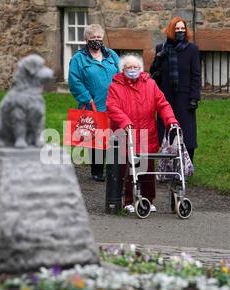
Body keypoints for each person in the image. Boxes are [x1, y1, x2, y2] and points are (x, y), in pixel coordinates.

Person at [106, 55, 179, 213]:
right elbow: (112, 107)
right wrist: (125, 122)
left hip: (146, 132)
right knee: (127, 169)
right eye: (129, 68)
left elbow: (163, 104)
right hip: (126, 133)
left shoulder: (150, 84)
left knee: (146, 169)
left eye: (135, 68)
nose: (132, 71)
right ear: (123, 70)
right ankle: (128, 201)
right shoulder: (115, 86)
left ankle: (148, 199)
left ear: (141, 69)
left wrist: (171, 120)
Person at [68, 24, 120, 182]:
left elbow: (121, 73)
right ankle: (96, 171)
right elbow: (74, 81)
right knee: (95, 138)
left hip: (113, 103)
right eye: (93, 38)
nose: (96, 41)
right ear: (86, 40)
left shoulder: (111, 55)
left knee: (113, 137)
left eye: (99, 38)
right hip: (92, 103)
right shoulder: (78, 58)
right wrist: (86, 97)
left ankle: (113, 169)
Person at [150, 16, 201, 163]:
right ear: (171, 30)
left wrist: (194, 97)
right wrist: (158, 60)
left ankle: (186, 164)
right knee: (165, 130)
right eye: (177, 29)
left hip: (185, 97)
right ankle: (168, 163)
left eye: (182, 29)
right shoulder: (162, 48)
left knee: (187, 132)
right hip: (165, 97)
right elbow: (153, 72)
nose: (180, 31)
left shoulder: (192, 49)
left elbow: (196, 75)